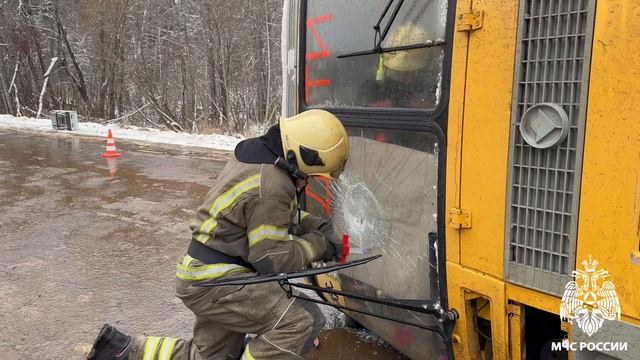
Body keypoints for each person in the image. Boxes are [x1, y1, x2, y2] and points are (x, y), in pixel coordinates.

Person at [87, 109, 350, 360]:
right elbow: (271, 259)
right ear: (301, 157)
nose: (308, 182)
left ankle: (122, 350)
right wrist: (320, 244)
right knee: (298, 323)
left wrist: (316, 226)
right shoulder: (272, 183)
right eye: (311, 176)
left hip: (203, 273)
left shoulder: (261, 161)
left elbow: (267, 216)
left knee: (211, 356)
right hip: (221, 280)